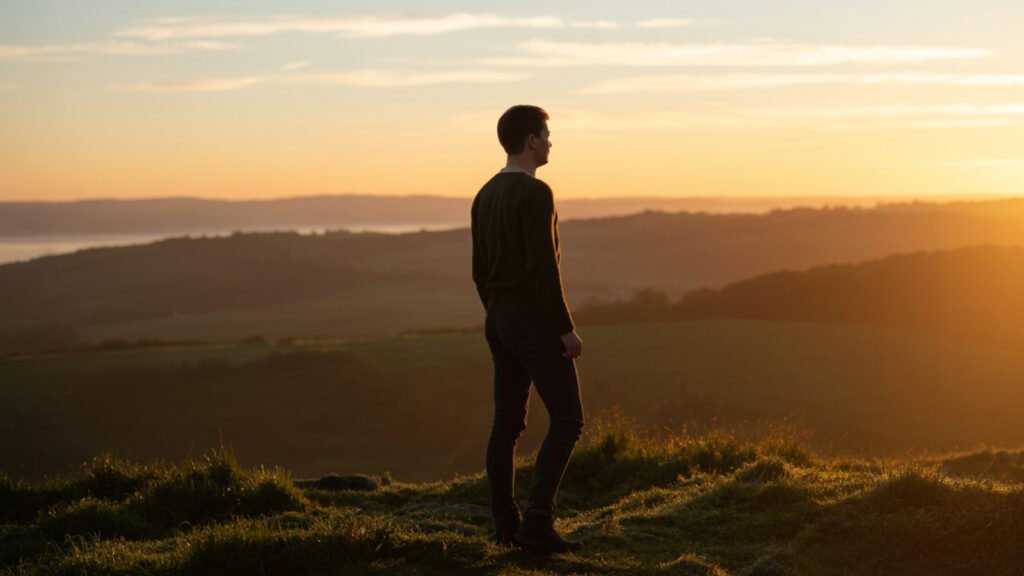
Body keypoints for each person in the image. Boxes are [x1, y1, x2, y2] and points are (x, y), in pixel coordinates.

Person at [471, 105, 585, 553]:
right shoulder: (537, 194)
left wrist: (498, 314)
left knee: (506, 426)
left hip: (498, 320)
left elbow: (479, 271)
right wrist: (565, 330)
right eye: (547, 134)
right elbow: (543, 270)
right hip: (531, 321)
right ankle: (537, 521)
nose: (551, 142)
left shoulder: (484, 195)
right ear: (532, 140)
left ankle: (505, 525)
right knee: (569, 419)